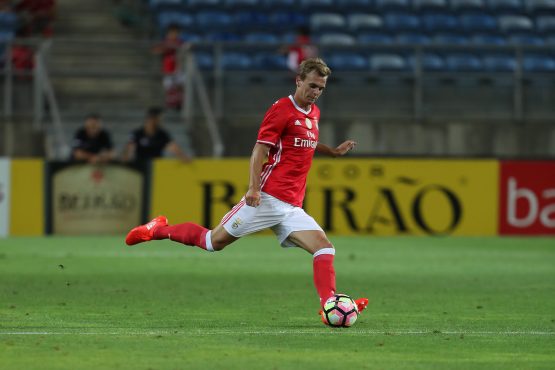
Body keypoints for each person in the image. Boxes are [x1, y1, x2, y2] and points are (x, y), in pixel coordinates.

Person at [125, 59, 368, 324]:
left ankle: (329, 306)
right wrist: (253, 188)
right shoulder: (281, 110)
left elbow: (304, 142)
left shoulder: (314, 113)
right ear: (298, 81)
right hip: (267, 198)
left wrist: (332, 152)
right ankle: (157, 229)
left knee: (324, 249)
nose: (316, 92)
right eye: (312, 85)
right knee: (211, 242)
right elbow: (259, 150)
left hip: (290, 207)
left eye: (321, 88)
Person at [122, 107, 190, 164]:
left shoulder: (163, 134)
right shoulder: (137, 133)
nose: (161, 121)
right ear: (152, 119)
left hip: (157, 168)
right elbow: (129, 149)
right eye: (160, 119)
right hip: (141, 166)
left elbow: (174, 148)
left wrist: (183, 157)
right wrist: (125, 161)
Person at [152, 24, 189, 110]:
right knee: (169, 87)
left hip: (179, 68)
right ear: (168, 33)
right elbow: (155, 51)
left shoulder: (180, 42)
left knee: (180, 85)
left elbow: (188, 48)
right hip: (168, 69)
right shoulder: (164, 42)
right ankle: (170, 105)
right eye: (172, 33)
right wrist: (165, 49)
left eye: (176, 33)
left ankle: (180, 104)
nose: (174, 35)